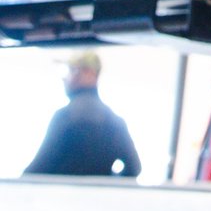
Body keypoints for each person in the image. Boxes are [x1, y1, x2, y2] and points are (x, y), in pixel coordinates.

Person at [24, 49, 141, 177]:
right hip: (97, 196)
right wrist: (104, 181)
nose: (65, 79)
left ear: (89, 73)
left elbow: (39, 168)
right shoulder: (114, 121)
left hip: (59, 195)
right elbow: (134, 168)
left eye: (71, 70)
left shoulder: (65, 116)